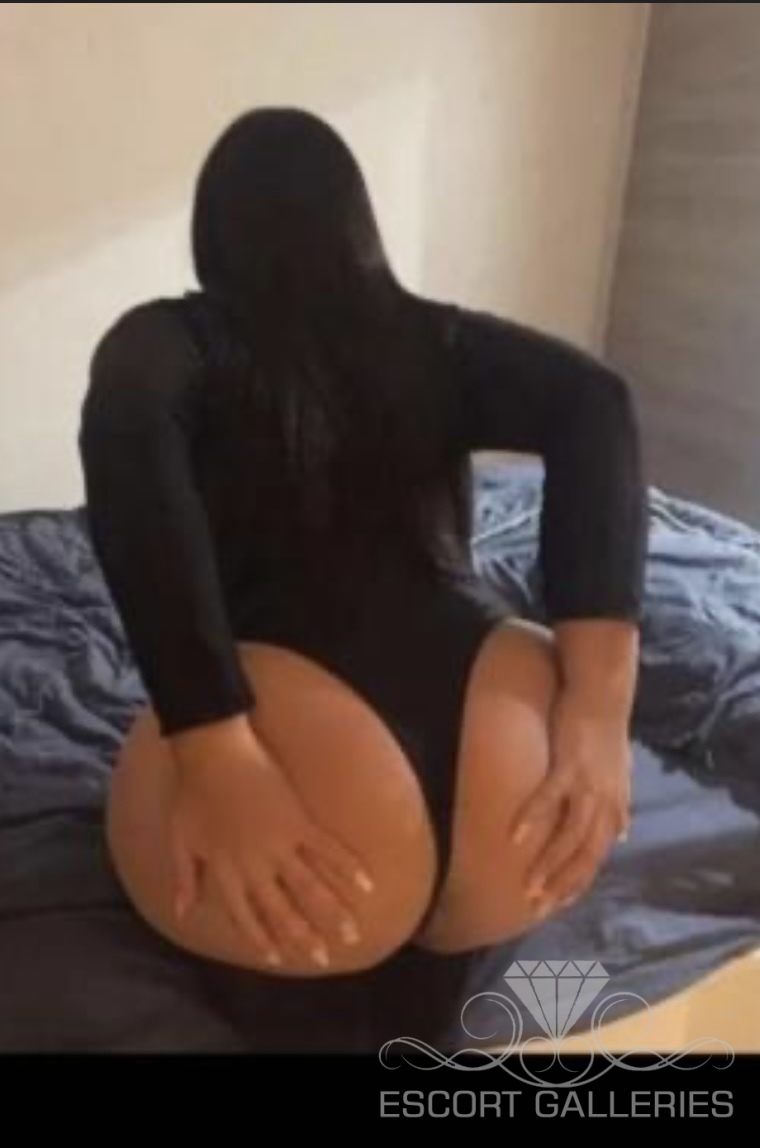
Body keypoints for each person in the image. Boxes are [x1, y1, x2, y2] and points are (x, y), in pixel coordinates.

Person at [78, 106, 647, 1051]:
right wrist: (595, 710)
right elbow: (599, 403)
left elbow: (126, 429)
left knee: (159, 805)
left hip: (309, 770)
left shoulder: (172, 341)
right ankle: (429, 953)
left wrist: (216, 753)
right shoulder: (433, 340)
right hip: (508, 780)